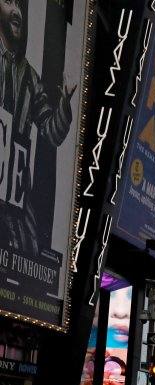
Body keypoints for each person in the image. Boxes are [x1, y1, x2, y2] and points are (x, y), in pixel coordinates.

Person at [0, 0, 77, 255]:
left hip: (17, 206)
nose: (17, 11)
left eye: (20, 5)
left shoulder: (30, 78)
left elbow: (52, 133)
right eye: (9, 2)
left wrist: (65, 100)